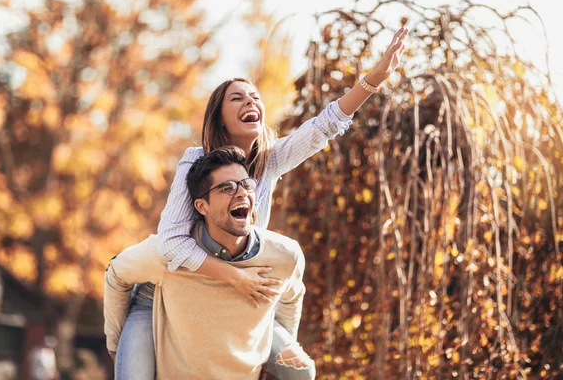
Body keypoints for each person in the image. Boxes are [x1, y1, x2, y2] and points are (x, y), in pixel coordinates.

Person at [109, 26, 409, 379]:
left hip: (238, 301)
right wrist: (235, 277)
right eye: (237, 98)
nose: (251, 101)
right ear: (219, 116)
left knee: (300, 371)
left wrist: (372, 80)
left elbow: (325, 125)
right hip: (169, 295)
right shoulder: (195, 162)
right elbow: (172, 242)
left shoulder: (272, 160)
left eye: (254, 97)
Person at [104, 146, 314, 379]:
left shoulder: (285, 254)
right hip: (176, 370)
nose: (242, 193)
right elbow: (115, 273)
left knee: (302, 370)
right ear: (202, 206)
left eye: (246, 184)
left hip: (242, 371)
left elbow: (291, 298)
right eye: (227, 188)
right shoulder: (170, 255)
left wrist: (276, 355)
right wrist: (116, 346)